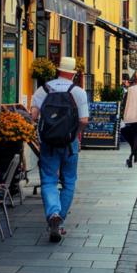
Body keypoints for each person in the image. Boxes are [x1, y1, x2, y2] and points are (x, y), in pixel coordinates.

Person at [31, 56, 89, 243]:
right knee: (69, 181)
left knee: (48, 180)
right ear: (73, 73)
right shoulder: (78, 92)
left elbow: (33, 116)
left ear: (58, 70)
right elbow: (83, 121)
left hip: (48, 142)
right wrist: (76, 135)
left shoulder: (43, 89)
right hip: (69, 142)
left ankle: (53, 212)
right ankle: (59, 220)